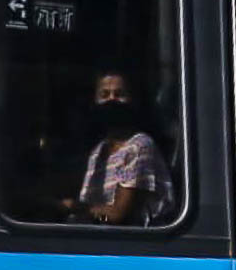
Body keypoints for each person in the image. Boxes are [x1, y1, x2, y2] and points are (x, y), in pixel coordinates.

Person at [61, 69, 175, 226]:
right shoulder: (97, 153)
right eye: (104, 95)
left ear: (133, 101)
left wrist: (78, 210)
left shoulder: (139, 146)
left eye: (119, 94)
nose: (111, 100)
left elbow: (117, 217)